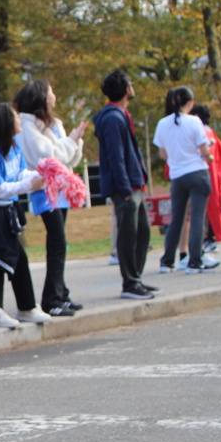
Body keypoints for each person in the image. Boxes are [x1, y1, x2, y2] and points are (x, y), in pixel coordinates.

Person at [0, 103, 51, 328]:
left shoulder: (13, 146)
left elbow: (20, 173)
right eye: (15, 116)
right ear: (4, 122)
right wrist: (29, 185)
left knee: (18, 258)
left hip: (5, 211)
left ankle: (27, 306)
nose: (19, 119)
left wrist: (41, 175)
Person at [13, 79, 86, 316]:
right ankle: (51, 299)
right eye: (51, 92)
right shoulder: (28, 125)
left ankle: (61, 293)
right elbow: (49, 156)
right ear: (41, 97)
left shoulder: (53, 123)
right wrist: (71, 140)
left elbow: (68, 159)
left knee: (59, 242)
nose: (54, 96)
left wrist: (74, 140)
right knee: (57, 242)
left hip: (61, 187)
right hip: (45, 189)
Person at [92, 71, 159, 300]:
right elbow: (115, 156)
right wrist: (124, 188)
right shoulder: (112, 118)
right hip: (126, 186)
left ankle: (136, 278)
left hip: (134, 183)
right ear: (125, 89)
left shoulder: (121, 115)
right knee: (128, 236)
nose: (133, 87)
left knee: (143, 232)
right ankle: (130, 283)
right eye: (131, 83)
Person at [153, 86, 216, 275]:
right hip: (197, 172)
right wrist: (209, 156)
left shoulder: (162, 123)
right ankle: (195, 261)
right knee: (197, 217)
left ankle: (167, 261)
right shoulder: (194, 121)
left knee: (176, 219)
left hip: (177, 175)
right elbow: (203, 150)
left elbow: (163, 154)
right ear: (189, 103)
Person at [191, 103, 221, 251]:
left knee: (205, 209)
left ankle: (208, 238)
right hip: (217, 175)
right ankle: (210, 238)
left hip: (206, 174)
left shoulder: (203, 133)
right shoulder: (211, 132)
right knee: (211, 207)